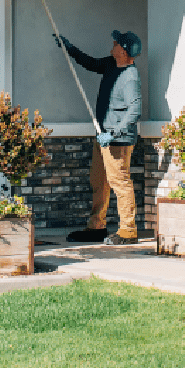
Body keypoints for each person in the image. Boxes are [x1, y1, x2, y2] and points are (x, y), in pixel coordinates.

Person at [54, 29, 142, 245]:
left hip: (117, 140)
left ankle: (128, 231)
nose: (112, 43)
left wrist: (114, 133)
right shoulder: (112, 64)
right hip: (103, 136)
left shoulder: (129, 77)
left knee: (119, 182)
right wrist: (70, 48)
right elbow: (91, 63)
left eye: (116, 43)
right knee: (99, 182)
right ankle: (97, 227)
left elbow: (134, 110)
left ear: (123, 50)